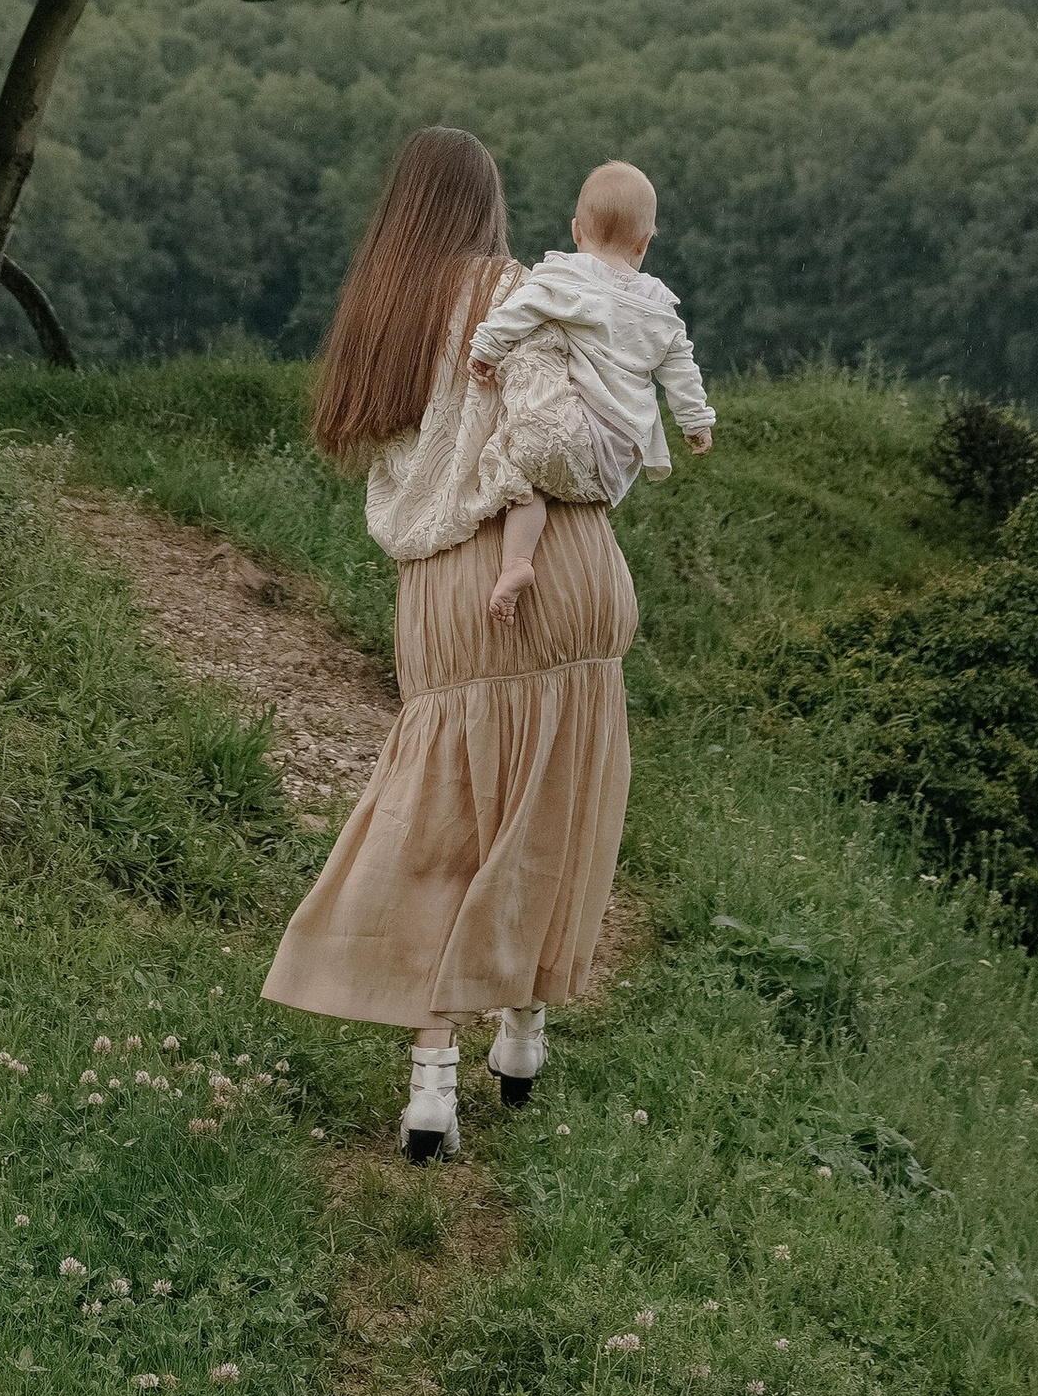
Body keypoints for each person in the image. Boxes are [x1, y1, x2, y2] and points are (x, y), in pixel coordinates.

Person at [260, 124, 652, 1162]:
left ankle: (432, 1081)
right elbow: (553, 441)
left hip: (435, 596)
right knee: (552, 801)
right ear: (486, 207)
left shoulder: (374, 317)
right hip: (546, 572)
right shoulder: (512, 293)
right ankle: (521, 1025)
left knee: (445, 818)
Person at [467, 161, 713, 610]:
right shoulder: (658, 306)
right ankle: (527, 551)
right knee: (547, 476)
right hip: (618, 458)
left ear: (577, 230)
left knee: (525, 474)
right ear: (643, 243)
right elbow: (680, 365)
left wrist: (485, 349)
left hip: (572, 435)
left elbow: (521, 310)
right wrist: (695, 420)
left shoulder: (568, 279)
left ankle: (516, 560)